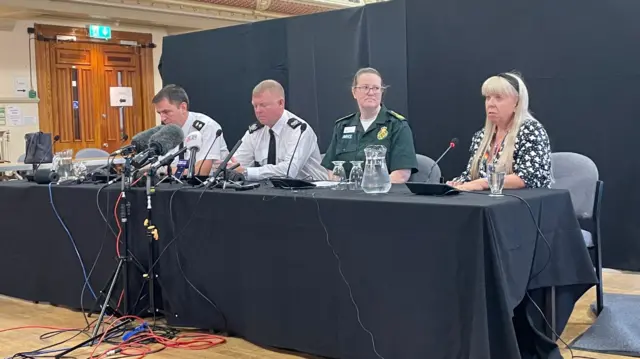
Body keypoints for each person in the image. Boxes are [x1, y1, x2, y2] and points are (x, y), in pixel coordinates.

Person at [447, 72, 552, 190]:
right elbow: (472, 176)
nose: (490, 104)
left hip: (523, 204)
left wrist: (483, 183)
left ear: (517, 103)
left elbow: (528, 177)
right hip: (487, 203)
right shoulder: (481, 136)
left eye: (498, 98)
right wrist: (458, 183)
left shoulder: (531, 131)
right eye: (488, 98)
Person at [321, 67, 418, 184]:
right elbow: (331, 168)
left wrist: (369, 189)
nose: (371, 93)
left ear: (382, 92)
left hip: (382, 197)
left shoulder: (397, 125)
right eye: (365, 87)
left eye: (376, 88)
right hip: (345, 196)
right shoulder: (342, 126)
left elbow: (401, 174)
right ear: (354, 92)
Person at [229, 79, 328, 182]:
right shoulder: (255, 132)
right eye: (255, 106)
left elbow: (289, 171)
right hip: (269, 193)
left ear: (281, 103)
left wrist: (247, 172)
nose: (258, 111)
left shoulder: (299, 130)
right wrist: (230, 168)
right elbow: (237, 164)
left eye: (263, 105)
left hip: (310, 191)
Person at [152, 84, 228, 176]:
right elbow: (158, 164)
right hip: (173, 185)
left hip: (206, 187)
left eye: (166, 112)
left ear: (183, 107)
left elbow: (201, 171)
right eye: (159, 113)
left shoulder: (207, 127)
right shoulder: (167, 132)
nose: (162, 118)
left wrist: (162, 170)